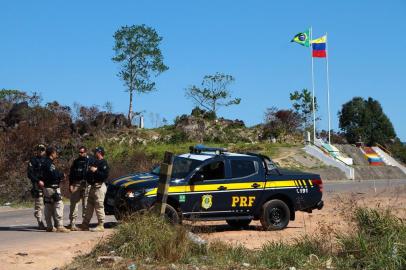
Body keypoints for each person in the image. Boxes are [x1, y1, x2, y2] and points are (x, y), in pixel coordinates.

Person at [80, 146, 109, 232]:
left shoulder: (104, 163)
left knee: (99, 206)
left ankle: (101, 225)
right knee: (89, 206)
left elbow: (104, 175)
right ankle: (85, 224)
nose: (94, 153)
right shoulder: (94, 162)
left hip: (99, 187)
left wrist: (96, 171)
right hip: (92, 187)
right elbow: (88, 174)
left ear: (100, 153)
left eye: (96, 151)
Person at [41, 147, 70, 233]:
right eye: (55, 153)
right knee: (59, 205)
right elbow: (53, 174)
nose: (56, 154)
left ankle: (49, 226)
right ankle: (60, 226)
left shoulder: (43, 162)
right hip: (52, 188)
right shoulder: (49, 164)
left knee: (48, 205)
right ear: (52, 153)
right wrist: (61, 175)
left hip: (46, 187)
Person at [68, 146, 92, 231]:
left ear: (85, 152)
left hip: (86, 184)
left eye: (82, 152)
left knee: (86, 205)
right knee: (74, 203)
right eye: (79, 152)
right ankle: (72, 223)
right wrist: (70, 185)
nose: (80, 154)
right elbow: (71, 174)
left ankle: (85, 224)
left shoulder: (90, 161)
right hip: (77, 184)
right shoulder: (76, 162)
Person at [27, 144, 46, 230]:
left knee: (50, 203)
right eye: (39, 149)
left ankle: (51, 222)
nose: (40, 151)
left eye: (42, 149)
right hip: (37, 184)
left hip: (47, 184)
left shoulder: (47, 160)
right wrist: (38, 181)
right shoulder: (33, 160)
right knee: (39, 204)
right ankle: (40, 222)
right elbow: (30, 174)